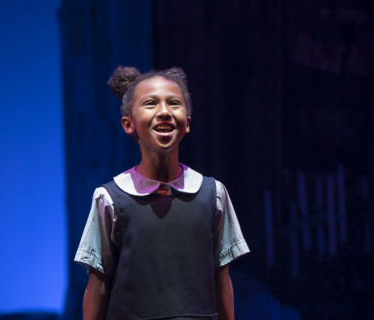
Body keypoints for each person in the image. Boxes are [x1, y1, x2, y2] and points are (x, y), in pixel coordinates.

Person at [74, 66, 249, 320]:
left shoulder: (213, 194)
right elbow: (98, 284)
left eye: (174, 103)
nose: (164, 112)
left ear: (187, 123)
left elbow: (221, 278)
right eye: (150, 104)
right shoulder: (110, 198)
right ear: (128, 124)